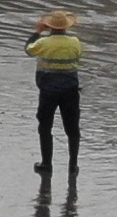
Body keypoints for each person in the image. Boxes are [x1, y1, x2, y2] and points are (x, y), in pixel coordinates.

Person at [25, 10, 84, 176]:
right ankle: (73, 165)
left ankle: (46, 163)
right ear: (66, 26)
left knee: (45, 126)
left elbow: (28, 50)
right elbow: (78, 55)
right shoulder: (75, 42)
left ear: (49, 26)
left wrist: (37, 31)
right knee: (72, 129)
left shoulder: (43, 43)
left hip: (48, 91)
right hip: (70, 91)